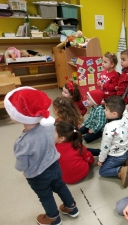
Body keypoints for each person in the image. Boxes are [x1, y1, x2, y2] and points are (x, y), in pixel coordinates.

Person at [4, 87, 79, 225]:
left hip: (38, 175)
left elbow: (21, 166)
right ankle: (71, 208)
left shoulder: (22, 142)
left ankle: (53, 218)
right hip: (55, 165)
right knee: (61, 186)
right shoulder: (51, 126)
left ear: (19, 117)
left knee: (45, 196)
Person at [95, 96, 128, 188]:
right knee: (120, 156)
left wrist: (101, 160)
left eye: (106, 109)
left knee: (102, 171)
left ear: (114, 114)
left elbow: (105, 147)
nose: (104, 111)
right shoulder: (127, 119)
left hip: (116, 156)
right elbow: (126, 112)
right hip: (126, 151)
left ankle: (120, 171)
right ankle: (126, 161)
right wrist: (125, 110)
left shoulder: (109, 127)